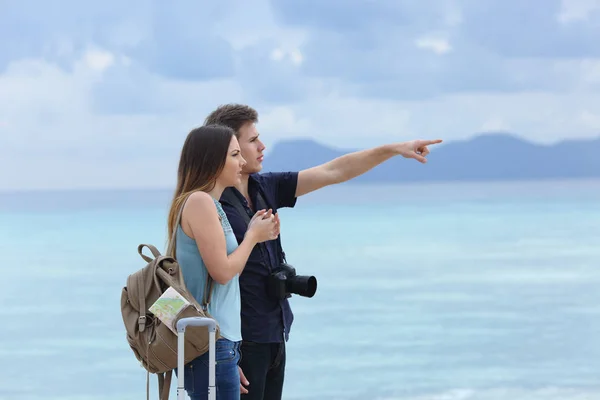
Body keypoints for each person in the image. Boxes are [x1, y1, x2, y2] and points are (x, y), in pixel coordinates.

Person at [204, 104, 443, 400]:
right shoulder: (209, 203)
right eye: (252, 141)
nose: (262, 146)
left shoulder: (264, 186)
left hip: (274, 335)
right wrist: (220, 355)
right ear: (229, 146)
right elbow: (196, 279)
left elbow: (334, 171)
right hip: (240, 344)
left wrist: (393, 149)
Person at [167, 124, 281, 400]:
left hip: (216, 343)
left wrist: (229, 355)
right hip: (209, 343)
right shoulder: (200, 202)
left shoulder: (208, 204)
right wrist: (253, 237)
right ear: (214, 161)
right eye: (234, 155)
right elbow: (223, 272)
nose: (242, 161)